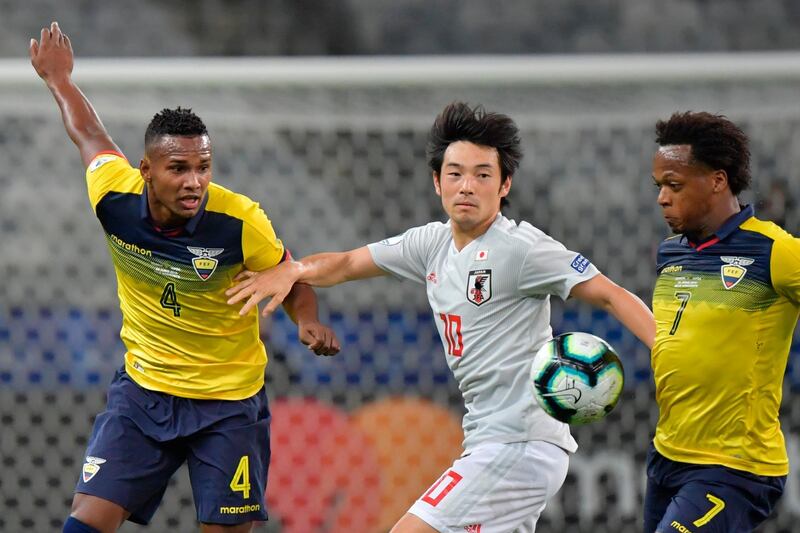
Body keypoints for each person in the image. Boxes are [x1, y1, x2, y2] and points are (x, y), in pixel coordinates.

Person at [227, 101, 656, 532]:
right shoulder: (430, 244)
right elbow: (344, 264)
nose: (467, 185)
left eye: (482, 174)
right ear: (437, 182)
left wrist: (668, 350)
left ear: (504, 184)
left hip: (519, 442)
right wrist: (294, 269)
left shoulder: (523, 249)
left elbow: (610, 295)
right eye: (455, 174)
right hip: (490, 442)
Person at [30, 22, 340, 533]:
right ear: (147, 169)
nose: (194, 180)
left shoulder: (240, 222)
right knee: (85, 523)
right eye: (179, 168)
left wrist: (305, 321)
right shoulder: (114, 196)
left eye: (204, 166)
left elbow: (291, 275)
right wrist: (59, 81)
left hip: (228, 405)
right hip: (144, 391)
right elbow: (88, 133)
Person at [645, 111, 796, 532]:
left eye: (674, 185)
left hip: (734, 465)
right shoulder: (671, 253)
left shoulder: (774, 251)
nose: (662, 197)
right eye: (659, 186)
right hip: (668, 456)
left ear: (717, 180)